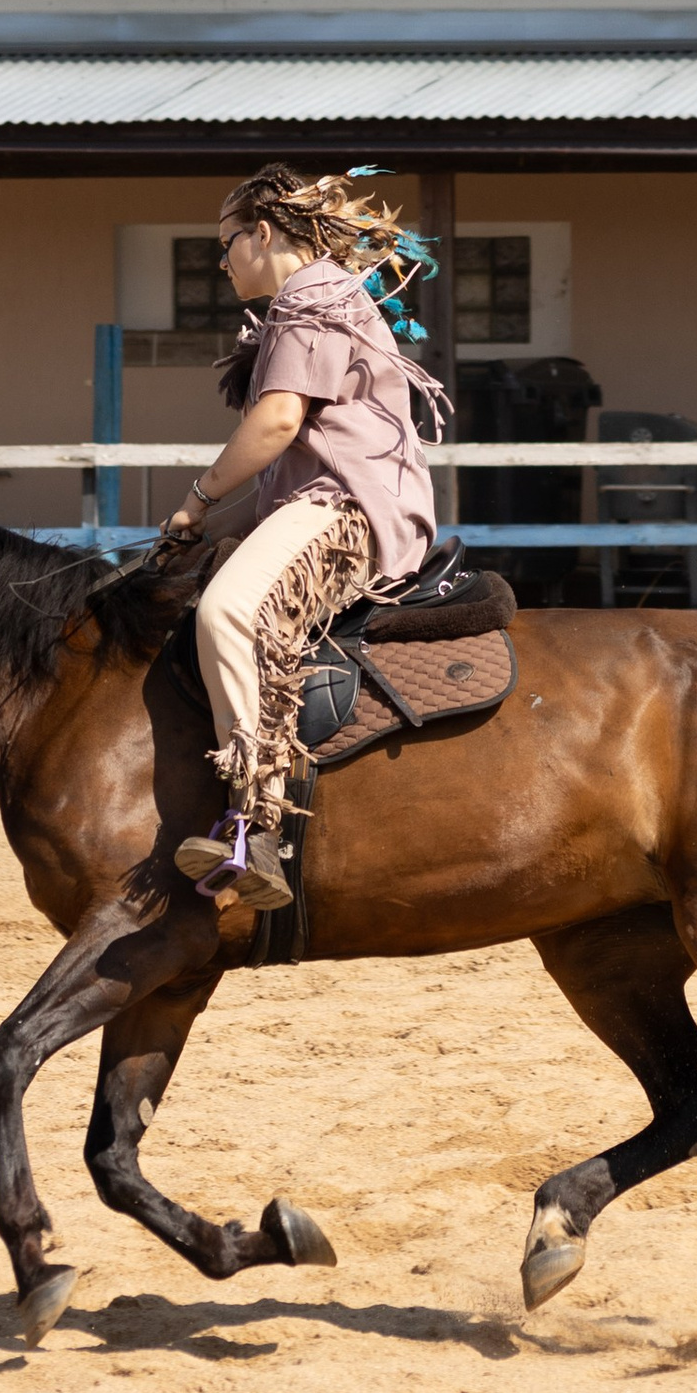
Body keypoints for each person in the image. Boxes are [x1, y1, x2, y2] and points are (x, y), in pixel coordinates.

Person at [164, 163, 444, 911]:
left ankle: (251, 825)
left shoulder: (312, 298)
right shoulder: (307, 301)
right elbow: (282, 459)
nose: (221, 262)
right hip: (313, 500)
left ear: (262, 233)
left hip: (347, 512)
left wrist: (196, 495)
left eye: (225, 244)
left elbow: (278, 422)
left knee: (228, 612)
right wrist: (193, 523)